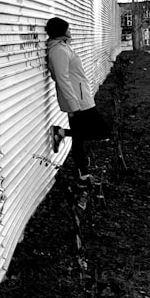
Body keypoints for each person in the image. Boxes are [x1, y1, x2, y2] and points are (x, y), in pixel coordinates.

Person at [46, 17, 111, 182]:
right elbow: (61, 78)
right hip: (78, 101)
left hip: (80, 98)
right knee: (103, 131)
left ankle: (83, 174)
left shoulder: (62, 47)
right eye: (68, 28)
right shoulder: (58, 50)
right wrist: (73, 105)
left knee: (79, 137)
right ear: (62, 31)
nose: (70, 31)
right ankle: (60, 133)